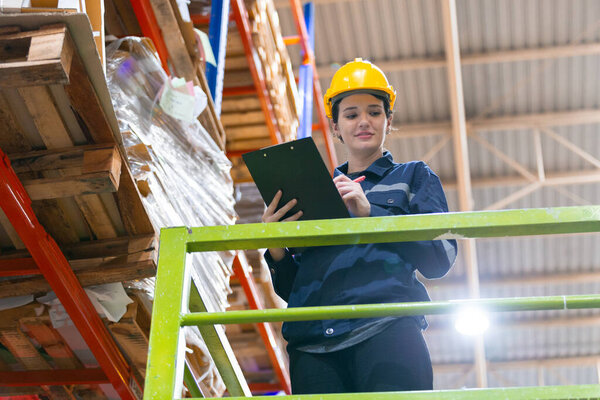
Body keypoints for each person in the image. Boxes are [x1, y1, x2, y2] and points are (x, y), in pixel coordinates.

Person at [262, 58, 457, 394]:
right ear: (336, 127)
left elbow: (440, 257)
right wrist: (277, 248)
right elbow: (295, 289)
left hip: (387, 330)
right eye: (351, 114)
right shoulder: (313, 194)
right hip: (313, 346)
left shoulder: (413, 177)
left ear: (388, 120)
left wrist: (372, 214)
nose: (363, 121)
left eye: (374, 112)